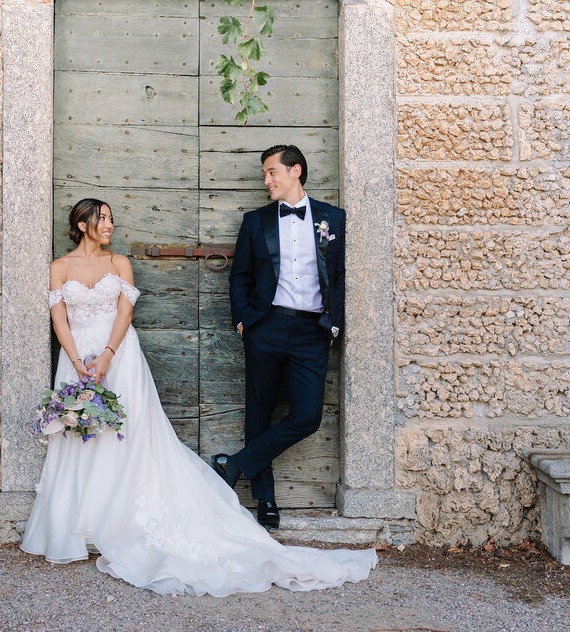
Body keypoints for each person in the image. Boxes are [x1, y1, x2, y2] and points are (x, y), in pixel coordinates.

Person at [20, 198, 375, 596]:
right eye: (102, 219)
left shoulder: (119, 263)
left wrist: (105, 357)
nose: (109, 225)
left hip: (117, 358)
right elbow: (58, 318)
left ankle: (122, 520)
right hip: (76, 360)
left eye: (111, 219)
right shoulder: (59, 267)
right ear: (82, 224)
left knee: (130, 436)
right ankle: (81, 521)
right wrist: (76, 360)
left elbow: (124, 315)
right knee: (80, 436)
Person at [213, 144, 344, 531]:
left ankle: (234, 464)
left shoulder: (332, 219)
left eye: (272, 172)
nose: (267, 181)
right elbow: (240, 276)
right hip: (265, 327)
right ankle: (265, 499)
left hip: (312, 332)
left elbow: (339, 276)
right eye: (265, 175)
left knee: (307, 417)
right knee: (259, 411)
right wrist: (243, 322)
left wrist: (334, 322)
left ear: (295, 171)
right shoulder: (256, 221)